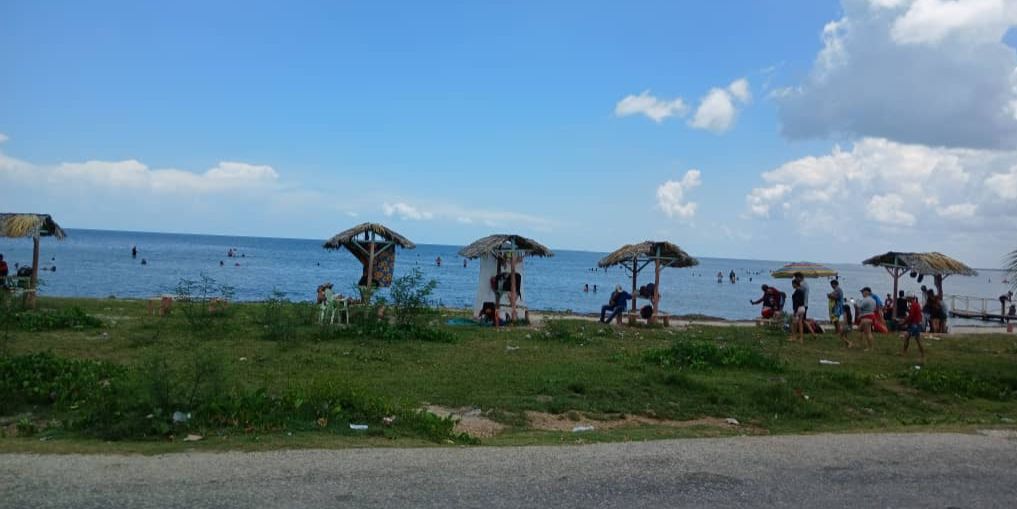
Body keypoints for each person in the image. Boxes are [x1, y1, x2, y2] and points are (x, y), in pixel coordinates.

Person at [899, 293, 925, 362]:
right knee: (917, 339)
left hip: (914, 324)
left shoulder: (913, 305)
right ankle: (922, 353)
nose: (906, 299)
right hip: (916, 324)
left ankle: (904, 352)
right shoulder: (916, 304)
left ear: (910, 298)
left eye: (907, 298)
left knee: (907, 337)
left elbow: (911, 316)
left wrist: (904, 322)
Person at [828, 280, 848, 345]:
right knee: (835, 319)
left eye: (832, 285)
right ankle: (837, 330)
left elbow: (837, 297)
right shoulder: (837, 289)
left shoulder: (838, 289)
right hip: (836, 305)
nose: (831, 286)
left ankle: (838, 331)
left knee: (836, 319)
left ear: (834, 284)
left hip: (837, 306)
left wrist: (830, 296)